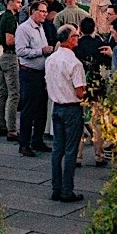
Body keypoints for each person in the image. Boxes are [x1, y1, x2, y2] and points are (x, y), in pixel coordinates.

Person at [46, 25, 88, 202]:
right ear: (70, 39)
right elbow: (79, 92)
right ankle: (66, 190)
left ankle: (56, 188)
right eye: (76, 36)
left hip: (56, 105)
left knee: (57, 149)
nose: (77, 39)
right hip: (71, 107)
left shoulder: (51, 59)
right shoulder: (74, 63)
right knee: (71, 150)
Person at [16, 1, 55, 155]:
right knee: (28, 109)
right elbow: (20, 51)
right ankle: (24, 144)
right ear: (33, 11)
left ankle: (37, 140)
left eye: (46, 11)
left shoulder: (41, 27)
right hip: (29, 73)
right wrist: (41, 51)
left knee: (41, 109)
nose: (45, 14)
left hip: (41, 73)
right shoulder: (24, 29)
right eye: (42, 11)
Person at [74, 16, 112, 165]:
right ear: (94, 28)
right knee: (97, 121)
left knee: (81, 120)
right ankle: (99, 155)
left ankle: (78, 155)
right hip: (97, 87)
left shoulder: (77, 45)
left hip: (81, 86)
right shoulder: (100, 44)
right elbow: (108, 64)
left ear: (81, 29)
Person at [0, 0, 23, 140]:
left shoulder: (1, 17)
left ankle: (1, 124)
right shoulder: (10, 18)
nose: (20, 5)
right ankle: (12, 129)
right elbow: (10, 40)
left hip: (1, 55)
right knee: (14, 93)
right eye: (17, 2)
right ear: (10, 2)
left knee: (2, 92)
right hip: (10, 55)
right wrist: (22, 38)